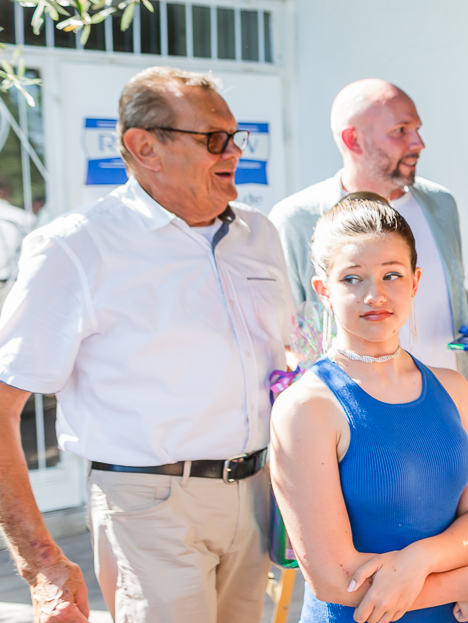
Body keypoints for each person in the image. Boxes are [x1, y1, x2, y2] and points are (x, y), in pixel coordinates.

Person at [0, 67, 294, 623]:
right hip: (148, 506)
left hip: (258, 498)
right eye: (213, 139)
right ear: (144, 148)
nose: (233, 152)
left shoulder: (260, 235)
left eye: (236, 136)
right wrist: (42, 565)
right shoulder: (74, 247)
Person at [270, 194, 468, 623]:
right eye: (352, 279)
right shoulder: (305, 408)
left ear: (414, 282)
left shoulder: (452, 387)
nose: (375, 294)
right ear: (324, 291)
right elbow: (337, 582)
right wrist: (465, 582)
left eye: (392, 274)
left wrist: (418, 559)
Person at [269, 79, 468, 378]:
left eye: (417, 129)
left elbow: (441, 287)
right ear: (352, 140)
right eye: (400, 131)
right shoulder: (296, 219)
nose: (418, 143)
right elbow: (281, 334)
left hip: (448, 405)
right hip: (352, 415)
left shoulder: (441, 205)